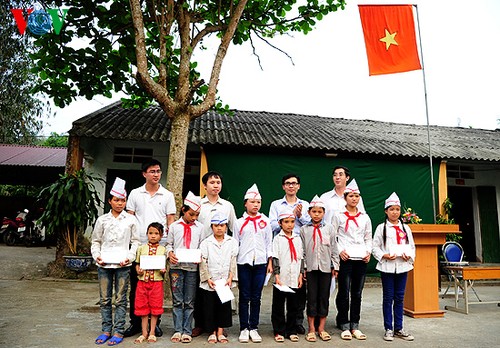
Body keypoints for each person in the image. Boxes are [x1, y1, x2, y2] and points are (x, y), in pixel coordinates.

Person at [124, 159, 176, 338]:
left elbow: (170, 220)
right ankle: (135, 323)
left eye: (158, 171)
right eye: (152, 171)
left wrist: (169, 245)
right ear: (144, 173)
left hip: (159, 248)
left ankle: (156, 323)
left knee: (156, 287)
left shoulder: (167, 195)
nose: (156, 174)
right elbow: (130, 218)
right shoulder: (135, 193)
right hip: (139, 247)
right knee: (137, 285)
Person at [91, 178, 140, 346]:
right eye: (117, 200)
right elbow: (95, 241)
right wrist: (96, 255)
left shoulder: (131, 220)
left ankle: (118, 330)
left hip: (123, 265)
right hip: (104, 264)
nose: (120, 204)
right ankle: (106, 329)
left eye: (123, 200)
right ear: (110, 201)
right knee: (105, 299)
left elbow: (136, 242)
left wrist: (130, 257)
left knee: (120, 299)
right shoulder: (102, 220)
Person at [192, 171, 237, 337]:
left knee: (219, 294)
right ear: (205, 185)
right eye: (212, 182)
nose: (216, 185)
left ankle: (219, 326)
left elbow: (234, 228)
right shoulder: (198, 204)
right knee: (201, 292)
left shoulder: (227, 206)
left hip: (222, 253)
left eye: (218, 182)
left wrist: (233, 250)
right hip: (199, 252)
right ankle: (200, 324)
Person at [268, 173, 310, 334]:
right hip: (282, 246)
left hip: (299, 246)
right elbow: (271, 225)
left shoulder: (304, 204)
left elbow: (310, 223)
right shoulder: (276, 204)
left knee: (299, 292)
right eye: (288, 183)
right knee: (281, 291)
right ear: (283, 186)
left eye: (294, 183)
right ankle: (279, 326)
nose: (291, 186)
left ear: (299, 186)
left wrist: (299, 216)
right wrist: (286, 219)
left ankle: (296, 322)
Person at [332, 179, 372, 341]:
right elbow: (333, 235)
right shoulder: (338, 216)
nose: (354, 199)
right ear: (345, 198)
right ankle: (343, 322)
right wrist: (340, 251)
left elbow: (368, 237)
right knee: (344, 292)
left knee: (357, 292)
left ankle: (355, 323)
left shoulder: (365, 217)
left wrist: (368, 252)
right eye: (351, 196)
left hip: (360, 258)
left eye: (356, 196)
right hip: (346, 258)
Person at [372, 192, 415, 342]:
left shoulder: (406, 228)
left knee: (400, 297)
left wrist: (408, 256)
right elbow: (374, 247)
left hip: (403, 267)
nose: (395, 212)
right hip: (387, 268)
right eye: (391, 209)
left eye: (397, 209)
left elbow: (412, 247)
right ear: (386, 211)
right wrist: (384, 255)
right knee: (388, 297)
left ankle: (399, 327)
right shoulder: (381, 228)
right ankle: (388, 328)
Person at [234, 184, 273, 343]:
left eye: (258, 202)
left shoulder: (266, 221)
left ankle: (254, 327)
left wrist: (270, 261)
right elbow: (236, 243)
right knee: (244, 296)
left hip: (261, 264)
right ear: (245, 203)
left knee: (256, 297)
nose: (255, 205)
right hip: (243, 263)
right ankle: (243, 327)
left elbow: (269, 242)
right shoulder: (239, 222)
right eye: (252, 202)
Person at [166, 192, 204, 343]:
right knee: (177, 300)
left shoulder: (200, 228)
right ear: (183, 210)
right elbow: (169, 244)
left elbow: (202, 246)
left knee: (189, 301)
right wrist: (170, 253)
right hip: (176, 267)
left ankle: (187, 330)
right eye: (191, 214)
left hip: (192, 269)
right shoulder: (174, 226)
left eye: (197, 215)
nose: (194, 218)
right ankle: (177, 330)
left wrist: (200, 255)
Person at [300, 195, 338, 343]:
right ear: (309, 213)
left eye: (320, 212)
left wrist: (335, 266)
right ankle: (311, 328)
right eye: (314, 211)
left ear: (324, 213)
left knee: (324, 297)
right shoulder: (304, 230)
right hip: (310, 268)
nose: (316, 214)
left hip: (326, 268)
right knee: (311, 298)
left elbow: (334, 248)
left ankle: (321, 328)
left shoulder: (329, 229)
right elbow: (302, 250)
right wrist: (303, 268)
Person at [199, 212, 239, 344]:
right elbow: (203, 261)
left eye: (222, 225)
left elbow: (233, 260)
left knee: (223, 306)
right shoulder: (206, 243)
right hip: (211, 280)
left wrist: (231, 277)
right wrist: (208, 278)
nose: (219, 228)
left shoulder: (232, 242)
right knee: (210, 306)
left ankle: (221, 331)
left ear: (226, 226)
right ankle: (212, 332)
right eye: (216, 225)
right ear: (212, 227)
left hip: (224, 280)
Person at [271, 206, 304, 343]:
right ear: (280, 223)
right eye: (286, 222)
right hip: (282, 277)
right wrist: (277, 275)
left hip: (294, 276)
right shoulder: (278, 239)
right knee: (278, 305)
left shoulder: (297, 238)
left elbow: (301, 257)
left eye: (292, 222)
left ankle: (291, 330)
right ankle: (279, 330)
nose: (290, 225)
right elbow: (275, 257)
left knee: (293, 305)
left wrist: (301, 274)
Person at [133, 222, 167, 344]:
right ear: (147, 234)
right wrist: (139, 270)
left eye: (156, 233)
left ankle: (152, 332)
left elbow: (164, 267)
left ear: (161, 235)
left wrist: (163, 270)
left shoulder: (163, 250)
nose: (153, 236)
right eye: (150, 233)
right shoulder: (141, 248)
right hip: (142, 282)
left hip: (156, 282)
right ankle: (144, 332)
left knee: (155, 307)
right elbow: (137, 264)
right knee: (142, 307)